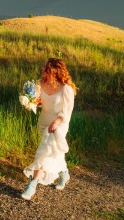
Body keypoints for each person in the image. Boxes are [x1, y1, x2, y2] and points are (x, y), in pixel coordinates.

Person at [21, 58, 77, 200]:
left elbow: (67, 111)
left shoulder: (66, 89)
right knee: (53, 152)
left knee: (44, 153)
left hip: (59, 123)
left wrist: (57, 121)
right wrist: (30, 103)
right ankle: (64, 173)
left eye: (46, 68)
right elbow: (39, 103)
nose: (42, 69)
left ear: (54, 71)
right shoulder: (40, 84)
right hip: (44, 122)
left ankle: (32, 185)